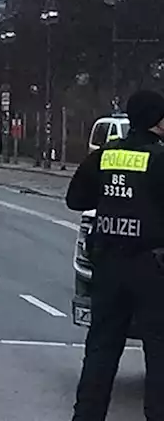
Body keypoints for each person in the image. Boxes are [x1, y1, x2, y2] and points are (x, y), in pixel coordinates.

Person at [66, 89, 164, 420]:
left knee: (101, 351)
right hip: (151, 268)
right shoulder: (161, 159)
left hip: (108, 267)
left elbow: (75, 200)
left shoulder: (106, 155)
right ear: (158, 122)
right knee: (159, 353)